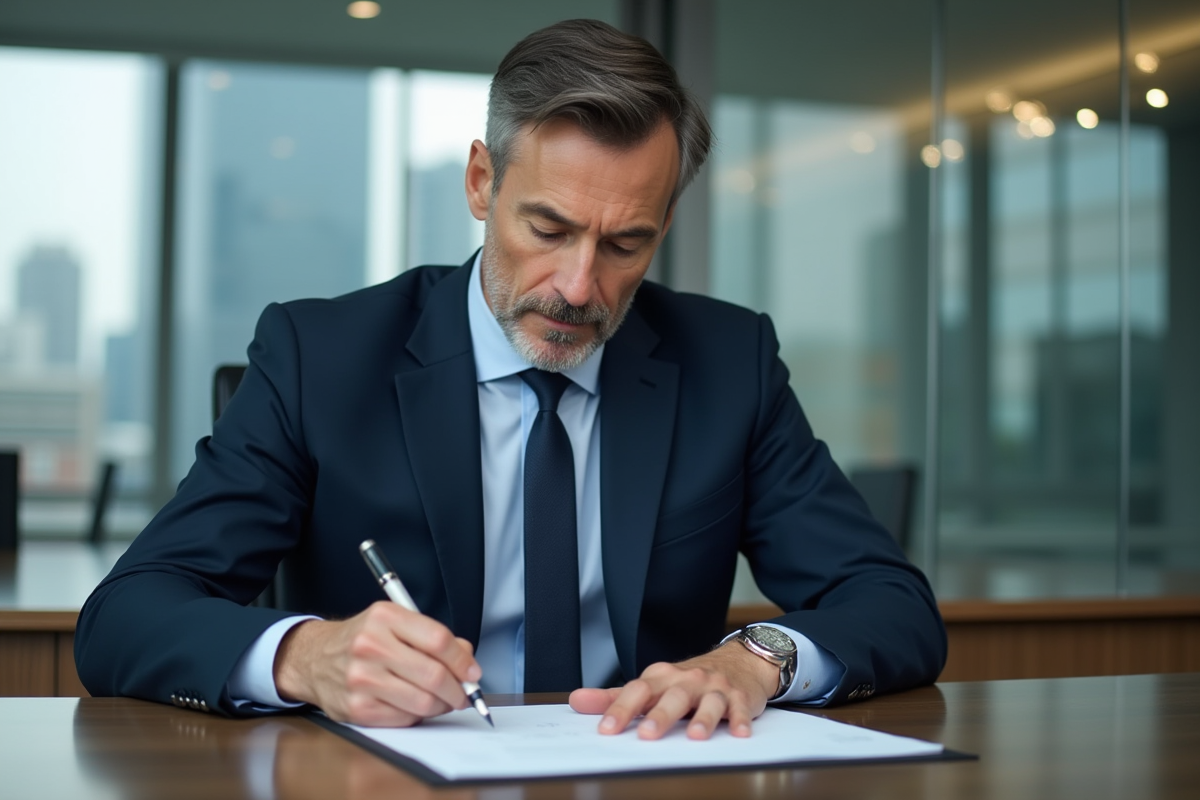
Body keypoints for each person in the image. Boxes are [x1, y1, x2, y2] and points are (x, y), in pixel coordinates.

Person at [75, 18, 945, 741]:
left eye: (624, 244)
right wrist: (307, 657)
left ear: (667, 222)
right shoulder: (320, 356)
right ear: (482, 183)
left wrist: (759, 658)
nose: (578, 286)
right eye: (548, 227)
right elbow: (126, 618)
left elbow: (894, 607)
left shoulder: (729, 363)